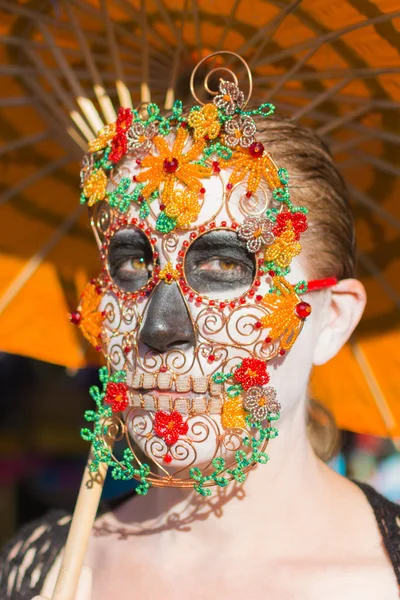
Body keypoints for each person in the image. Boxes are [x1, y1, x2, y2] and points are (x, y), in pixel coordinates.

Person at [1, 81, 399, 600]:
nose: (160, 329)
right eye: (133, 262)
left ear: (333, 320)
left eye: (223, 265)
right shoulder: (41, 571)